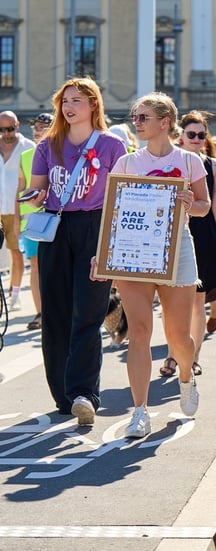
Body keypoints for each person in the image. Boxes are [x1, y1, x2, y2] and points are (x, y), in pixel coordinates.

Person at [103, 92, 210, 438]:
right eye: (135, 116)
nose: (136, 121)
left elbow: (204, 207)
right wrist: (101, 253)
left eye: (143, 116)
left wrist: (189, 202)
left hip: (176, 249)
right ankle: (140, 411)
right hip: (134, 253)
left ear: (165, 122)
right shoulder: (127, 163)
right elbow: (111, 214)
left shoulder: (190, 161)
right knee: (139, 333)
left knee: (177, 337)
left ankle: (184, 375)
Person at [25, 78, 127, 424]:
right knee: (55, 315)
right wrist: (33, 197)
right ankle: (62, 394)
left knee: (88, 312)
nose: (69, 107)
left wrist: (112, 243)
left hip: (96, 227)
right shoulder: (47, 145)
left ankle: (84, 392)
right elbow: (37, 190)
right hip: (56, 228)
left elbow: (121, 198)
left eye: (77, 101)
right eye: (65, 101)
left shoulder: (112, 146)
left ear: (93, 105)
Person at [156, 111, 216, 378]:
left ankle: (194, 356)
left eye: (202, 135)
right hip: (174, 233)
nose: (198, 139)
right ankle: (172, 353)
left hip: (205, 235)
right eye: (192, 134)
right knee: (171, 302)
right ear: (181, 136)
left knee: (198, 303)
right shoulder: (169, 162)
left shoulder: (214, 166)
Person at [18, 112, 53, 330]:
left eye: (42, 126)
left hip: (55, 217)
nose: (36, 130)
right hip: (32, 219)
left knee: (55, 267)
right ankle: (40, 312)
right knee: (35, 266)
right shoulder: (26, 155)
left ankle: (55, 311)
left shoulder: (59, 151)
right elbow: (20, 189)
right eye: (35, 127)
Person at [0, 110, 35, 312]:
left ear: (18, 125)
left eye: (10, 129)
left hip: (16, 210)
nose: (6, 133)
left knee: (15, 253)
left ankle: (14, 295)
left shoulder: (28, 148)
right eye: (2, 130)